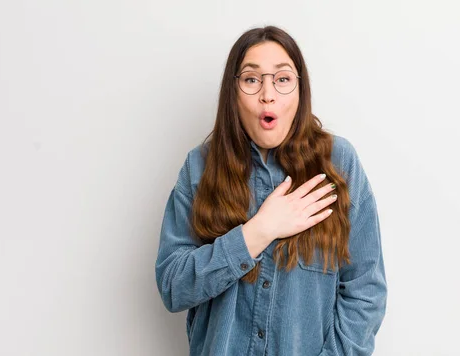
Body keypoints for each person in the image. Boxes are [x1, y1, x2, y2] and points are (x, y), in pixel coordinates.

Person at [155, 25, 387, 356]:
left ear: (299, 90)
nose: (268, 93)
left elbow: (365, 290)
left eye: (282, 79)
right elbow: (173, 286)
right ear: (233, 92)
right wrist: (257, 233)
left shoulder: (339, 163)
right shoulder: (200, 166)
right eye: (252, 80)